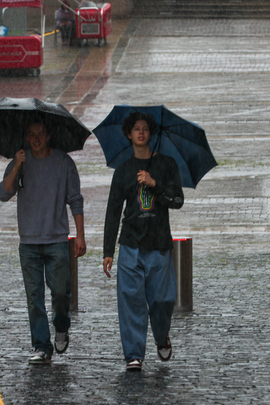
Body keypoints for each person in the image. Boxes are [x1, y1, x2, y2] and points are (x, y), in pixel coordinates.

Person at [0, 116, 86, 365]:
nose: (36, 139)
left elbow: (75, 200)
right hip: (28, 242)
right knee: (34, 298)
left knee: (60, 292)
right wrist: (16, 165)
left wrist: (80, 235)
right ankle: (41, 346)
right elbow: (3, 193)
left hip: (57, 240)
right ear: (26, 136)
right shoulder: (20, 161)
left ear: (49, 135)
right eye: (31, 134)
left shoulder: (64, 163)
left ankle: (61, 325)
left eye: (41, 133)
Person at [102, 112, 184, 371]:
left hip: (159, 244)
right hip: (130, 245)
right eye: (135, 129)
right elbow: (113, 211)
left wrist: (155, 184)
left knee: (163, 300)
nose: (140, 133)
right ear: (128, 134)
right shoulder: (123, 171)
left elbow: (178, 201)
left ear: (151, 134)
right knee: (131, 301)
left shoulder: (167, 165)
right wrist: (108, 251)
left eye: (145, 129)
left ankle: (161, 335)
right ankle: (134, 354)